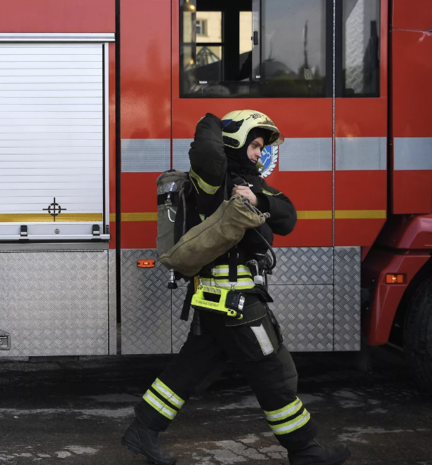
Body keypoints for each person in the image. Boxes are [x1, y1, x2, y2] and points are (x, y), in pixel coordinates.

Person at [121, 110, 351, 465]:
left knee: (188, 371)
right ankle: (307, 452)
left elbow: (288, 217)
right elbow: (205, 152)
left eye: (262, 147)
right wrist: (215, 118)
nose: (260, 153)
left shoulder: (253, 184)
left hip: (220, 302)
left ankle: (142, 430)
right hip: (233, 302)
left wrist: (258, 199)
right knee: (275, 372)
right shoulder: (214, 179)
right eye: (255, 145)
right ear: (237, 142)